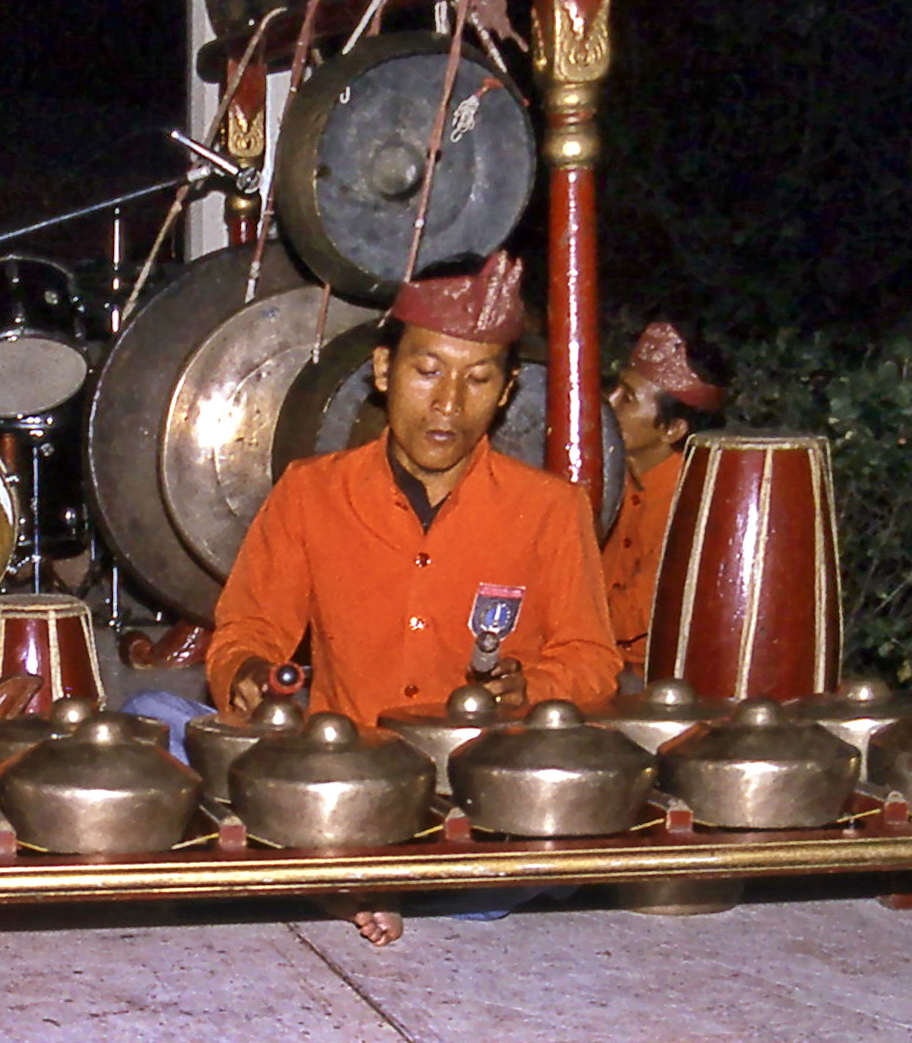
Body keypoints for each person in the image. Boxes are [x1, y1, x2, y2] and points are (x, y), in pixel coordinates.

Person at [132, 250, 621, 945]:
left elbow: (592, 660)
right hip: (339, 777)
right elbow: (247, 628)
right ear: (385, 370)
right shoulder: (310, 491)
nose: (449, 402)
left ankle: (348, 882)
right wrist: (242, 676)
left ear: (507, 389)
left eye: (478, 378)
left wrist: (530, 687)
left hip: (476, 791)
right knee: (150, 716)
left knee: (555, 843)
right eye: (427, 371)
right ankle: (365, 877)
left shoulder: (550, 508)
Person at [601, 320, 729, 674]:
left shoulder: (693, 503)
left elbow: (635, 615)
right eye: (616, 389)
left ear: (672, 429)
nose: (608, 401)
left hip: (654, 682)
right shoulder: (613, 476)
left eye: (626, 398)